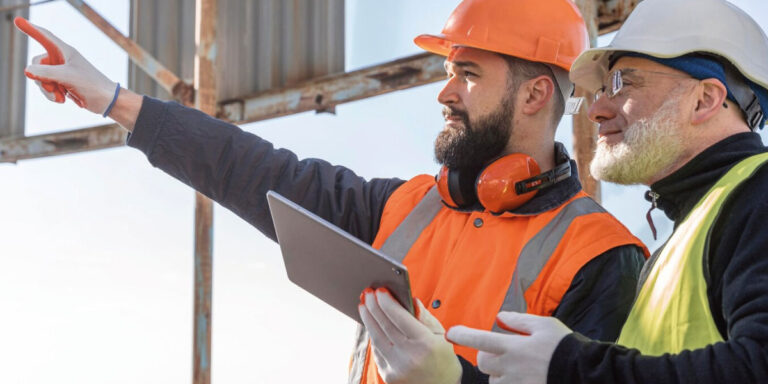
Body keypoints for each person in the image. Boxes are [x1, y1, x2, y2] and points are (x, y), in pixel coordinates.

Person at [17, 0, 648, 383]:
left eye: (468, 73)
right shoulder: (405, 208)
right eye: (447, 71)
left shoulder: (599, 256)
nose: (444, 92)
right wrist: (111, 98)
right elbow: (252, 168)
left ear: (536, 95)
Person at [447, 0, 768, 383]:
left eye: (621, 83)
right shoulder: (690, 237)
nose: (596, 109)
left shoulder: (758, 194)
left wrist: (572, 368)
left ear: (704, 100)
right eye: (600, 89)